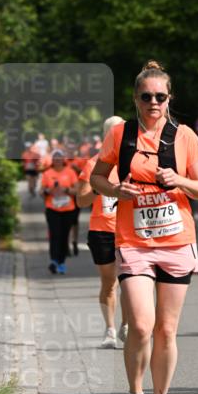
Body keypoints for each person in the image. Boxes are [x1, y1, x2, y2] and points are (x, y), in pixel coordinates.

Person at [91, 59, 198, 394]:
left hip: (176, 242)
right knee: (141, 325)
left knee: (167, 329)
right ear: (135, 98)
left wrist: (178, 180)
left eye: (160, 96)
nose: (154, 102)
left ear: (169, 98)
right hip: (135, 243)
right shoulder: (120, 135)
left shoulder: (185, 136)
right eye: (147, 96)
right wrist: (115, 189)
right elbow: (96, 178)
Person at [76, 116, 128, 349]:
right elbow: (80, 201)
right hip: (102, 231)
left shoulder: (132, 162)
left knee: (131, 282)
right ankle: (109, 329)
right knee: (109, 283)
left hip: (129, 229)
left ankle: (127, 325)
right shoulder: (93, 164)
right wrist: (99, 188)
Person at [40, 149, 78, 274]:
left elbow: (77, 190)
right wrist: (48, 191)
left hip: (68, 210)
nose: (57, 160)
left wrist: (66, 190)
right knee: (54, 235)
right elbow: (41, 192)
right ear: (52, 160)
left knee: (64, 236)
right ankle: (54, 260)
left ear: (63, 160)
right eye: (55, 158)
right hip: (52, 209)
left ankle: (61, 262)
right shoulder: (47, 173)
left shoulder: (70, 172)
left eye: (59, 158)